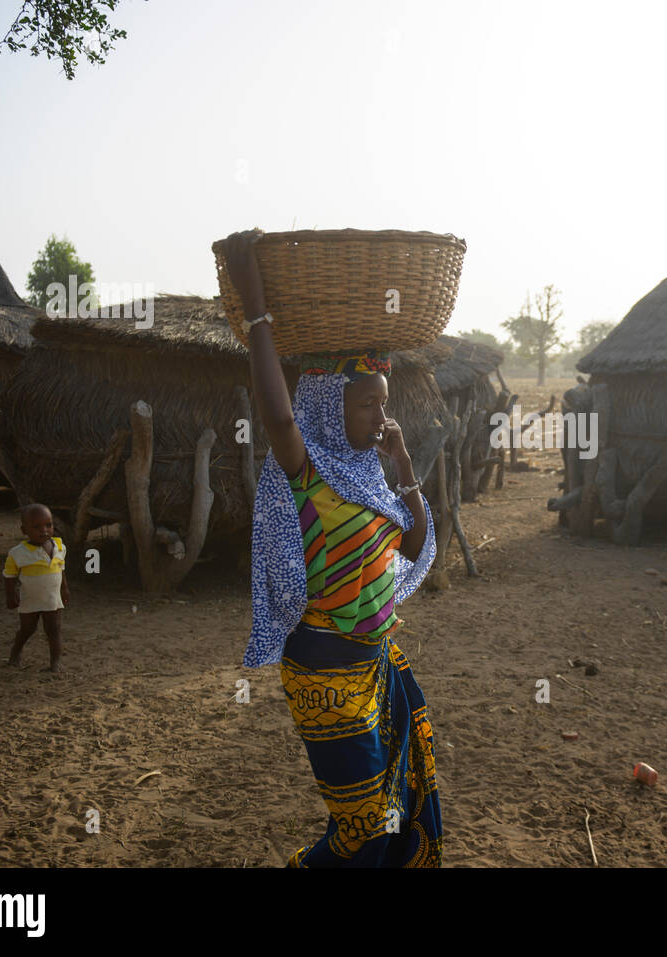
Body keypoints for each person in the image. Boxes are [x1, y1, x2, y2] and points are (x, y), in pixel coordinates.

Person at [221, 229, 441, 868]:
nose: (380, 416)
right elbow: (276, 415)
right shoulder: (308, 471)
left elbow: (415, 542)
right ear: (327, 405)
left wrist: (402, 464)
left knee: (385, 819)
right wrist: (258, 308)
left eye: (385, 404)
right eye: (368, 404)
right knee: (367, 828)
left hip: (376, 665)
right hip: (323, 670)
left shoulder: (369, 474)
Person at [3, 502, 68, 672]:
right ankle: (15, 654)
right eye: (37, 526)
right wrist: (11, 596)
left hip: (52, 599)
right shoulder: (18, 553)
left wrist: (64, 589)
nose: (44, 530)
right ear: (24, 530)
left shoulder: (59, 546)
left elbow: (61, 568)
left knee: (54, 630)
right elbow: (9, 576)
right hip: (30, 600)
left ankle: (55, 663)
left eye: (48, 525)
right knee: (27, 629)